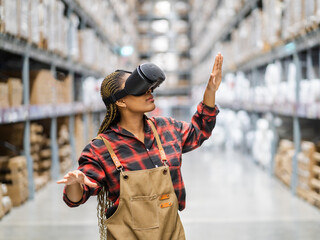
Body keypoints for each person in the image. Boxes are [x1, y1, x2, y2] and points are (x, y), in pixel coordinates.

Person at [57, 53, 223, 240]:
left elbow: (199, 131)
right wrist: (76, 183)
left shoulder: (166, 129)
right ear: (120, 101)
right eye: (140, 89)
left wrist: (210, 91)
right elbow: (75, 198)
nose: (149, 92)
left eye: (150, 88)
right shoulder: (101, 148)